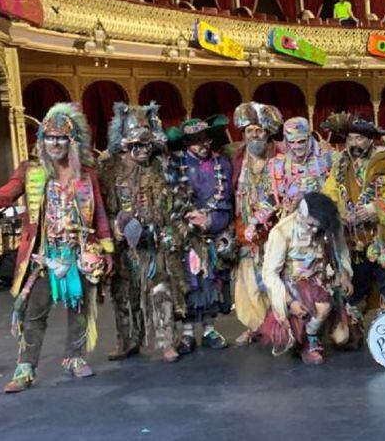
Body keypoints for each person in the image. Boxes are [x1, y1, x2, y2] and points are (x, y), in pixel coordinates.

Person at [0, 103, 113, 393]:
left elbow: (100, 214)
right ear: (42, 140)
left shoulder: (86, 174)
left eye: (61, 138)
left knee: (79, 308)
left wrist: (106, 248)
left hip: (79, 252)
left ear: (72, 141)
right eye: (49, 138)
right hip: (44, 255)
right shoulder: (31, 171)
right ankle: (25, 367)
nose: (55, 144)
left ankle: (74, 357)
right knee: (34, 312)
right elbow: (6, 194)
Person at [99, 102, 185, 363]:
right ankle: (127, 340)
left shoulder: (161, 166)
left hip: (155, 242)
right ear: (126, 145)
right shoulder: (111, 170)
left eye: (147, 145)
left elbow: (174, 202)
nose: (144, 150)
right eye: (138, 145)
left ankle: (167, 341)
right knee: (124, 293)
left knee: (161, 290)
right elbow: (104, 208)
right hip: (124, 246)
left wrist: (166, 229)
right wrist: (115, 226)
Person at [322, 112, 385, 322]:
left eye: (359, 138)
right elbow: (329, 192)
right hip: (352, 238)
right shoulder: (341, 162)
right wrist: (339, 213)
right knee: (355, 289)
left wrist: (372, 208)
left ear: (370, 140)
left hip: (380, 236)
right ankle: (355, 330)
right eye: (350, 139)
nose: (354, 143)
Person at [165, 116, 235, 354]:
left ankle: (209, 330)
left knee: (210, 281)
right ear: (186, 143)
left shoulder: (221, 163)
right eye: (195, 140)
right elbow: (169, 199)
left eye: (205, 138)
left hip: (213, 230)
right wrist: (187, 219)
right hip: (183, 233)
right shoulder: (174, 164)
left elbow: (227, 199)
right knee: (186, 282)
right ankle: (186, 333)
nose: (202, 144)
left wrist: (211, 221)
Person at [259, 192, 354, 365]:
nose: (315, 231)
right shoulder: (281, 232)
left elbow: (341, 251)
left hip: (325, 279)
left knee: (343, 338)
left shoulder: (331, 224)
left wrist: (345, 274)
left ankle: (315, 329)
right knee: (323, 306)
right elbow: (269, 273)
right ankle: (308, 340)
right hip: (294, 284)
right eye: (311, 225)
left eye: (319, 227)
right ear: (301, 216)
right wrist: (289, 302)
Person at [230, 102, 284, 347]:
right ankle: (256, 327)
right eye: (249, 130)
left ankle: (279, 326)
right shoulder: (236, 157)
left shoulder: (280, 156)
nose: (254, 135)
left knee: (275, 279)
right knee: (248, 283)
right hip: (245, 230)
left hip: (274, 228)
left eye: (259, 130)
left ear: (268, 132)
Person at [267, 117, 333, 217]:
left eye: (301, 141)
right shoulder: (277, 165)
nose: (296, 146)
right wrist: (256, 219)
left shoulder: (325, 159)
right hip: (291, 218)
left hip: (321, 216)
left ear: (309, 138)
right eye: (291, 142)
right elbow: (272, 197)